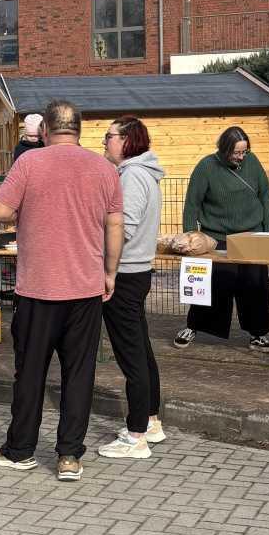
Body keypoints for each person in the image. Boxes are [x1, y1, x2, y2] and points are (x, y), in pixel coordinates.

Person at [0, 100, 123, 481]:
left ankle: (21, 450)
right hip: (85, 286)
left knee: (30, 373)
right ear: (79, 129)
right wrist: (110, 272)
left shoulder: (29, 163)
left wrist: (26, 209)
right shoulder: (104, 168)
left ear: (45, 130)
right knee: (79, 374)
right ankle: (69, 457)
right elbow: (115, 225)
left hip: (38, 288)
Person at [97, 119, 167, 461]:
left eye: (109, 136)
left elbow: (123, 228)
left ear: (127, 140)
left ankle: (136, 434)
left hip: (124, 274)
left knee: (131, 355)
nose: (104, 142)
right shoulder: (140, 173)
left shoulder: (133, 176)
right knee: (140, 347)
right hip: (135, 272)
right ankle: (150, 420)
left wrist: (106, 267)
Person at [174, 127, 269, 354]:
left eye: (244, 152)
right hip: (217, 237)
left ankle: (258, 334)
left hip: (253, 236)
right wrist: (192, 237)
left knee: (255, 286)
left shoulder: (252, 163)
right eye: (236, 153)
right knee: (212, 285)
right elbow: (192, 204)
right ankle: (193, 326)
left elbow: (265, 196)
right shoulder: (206, 167)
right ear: (224, 149)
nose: (241, 157)